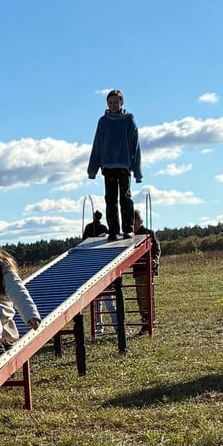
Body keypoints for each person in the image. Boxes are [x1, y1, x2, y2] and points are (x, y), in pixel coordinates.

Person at [87, 89, 142, 241]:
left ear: (121, 102)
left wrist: (137, 171)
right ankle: (113, 231)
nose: (113, 105)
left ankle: (128, 228)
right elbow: (97, 145)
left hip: (124, 165)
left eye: (116, 102)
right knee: (110, 199)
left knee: (125, 197)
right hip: (108, 166)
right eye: (110, 103)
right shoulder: (103, 122)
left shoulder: (128, 119)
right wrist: (93, 169)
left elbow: (135, 145)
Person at [132, 210, 161, 335]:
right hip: (138, 270)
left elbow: (157, 249)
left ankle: (147, 322)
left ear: (139, 221)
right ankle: (146, 320)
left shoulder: (148, 233)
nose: (132, 225)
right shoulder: (130, 236)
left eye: (134, 222)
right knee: (140, 296)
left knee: (145, 296)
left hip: (147, 269)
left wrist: (155, 260)